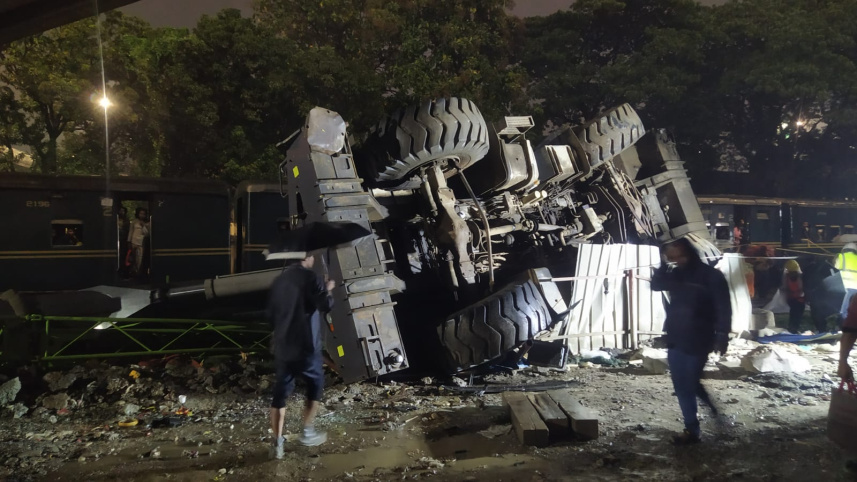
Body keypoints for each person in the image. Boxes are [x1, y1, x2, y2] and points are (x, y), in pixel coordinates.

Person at [651, 237, 732, 445]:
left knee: (689, 382)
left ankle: (707, 416)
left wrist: (722, 336)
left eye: (678, 256)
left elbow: (724, 307)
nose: (676, 261)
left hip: (699, 336)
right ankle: (692, 429)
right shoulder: (677, 274)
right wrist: (662, 265)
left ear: (688, 252)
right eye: (672, 258)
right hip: (677, 336)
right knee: (682, 384)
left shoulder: (711, 276)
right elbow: (657, 285)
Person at [267, 253, 335, 459]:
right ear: (307, 258)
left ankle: (278, 443)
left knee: (280, 394)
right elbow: (326, 306)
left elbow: (270, 314)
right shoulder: (311, 278)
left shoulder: (279, 280)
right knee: (315, 385)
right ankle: (307, 431)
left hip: (283, 346)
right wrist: (328, 289)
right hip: (306, 346)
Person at [835, 243, 857, 324]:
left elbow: (834, 270)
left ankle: (844, 327)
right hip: (856, 287)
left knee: (844, 312)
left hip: (845, 287)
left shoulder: (841, 256)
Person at [782, 260, 806, 334]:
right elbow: (801, 287)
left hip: (791, 298)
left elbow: (784, 287)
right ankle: (795, 328)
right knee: (798, 315)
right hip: (800, 299)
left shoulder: (786, 276)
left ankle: (792, 328)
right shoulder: (800, 276)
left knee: (793, 313)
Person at [127, 208, 149, 277]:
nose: (142, 215)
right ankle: (133, 272)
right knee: (133, 258)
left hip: (141, 243)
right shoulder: (134, 221)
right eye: (140, 213)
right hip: (134, 241)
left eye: (143, 214)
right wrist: (129, 241)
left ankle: (138, 273)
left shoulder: (147, 223)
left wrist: (143, 226)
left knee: (139, 259)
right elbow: (131, 231)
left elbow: (147, 234)